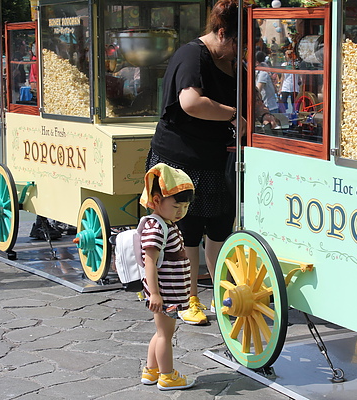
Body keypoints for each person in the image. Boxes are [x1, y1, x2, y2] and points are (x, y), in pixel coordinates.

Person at [145, 0, 245, 325]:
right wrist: (233, 115)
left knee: (219, 226)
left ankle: (218, 291)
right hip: (181, 159)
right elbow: (190, 102)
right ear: (221, 33)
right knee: (186, 231)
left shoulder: (234, 63)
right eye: (237, 44)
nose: (239, 52)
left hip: (217, 159)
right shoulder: (193, 55)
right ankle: (188, 298)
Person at [139, 162, 196, 390]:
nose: (181, 211)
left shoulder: (166, 223)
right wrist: (154, 293)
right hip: (164, 294)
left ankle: (151, 371)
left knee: (161, 332)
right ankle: (167, 376)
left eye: (185, 206)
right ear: (156, 201)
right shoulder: (157, 227)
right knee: (165, 335)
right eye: (176, 206)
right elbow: (149, 262)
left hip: (167, 293)